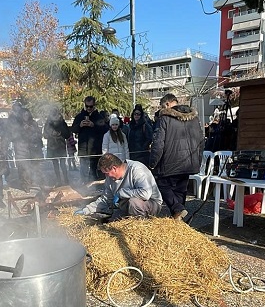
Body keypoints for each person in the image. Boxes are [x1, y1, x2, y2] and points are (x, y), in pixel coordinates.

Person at [149, 93, 204, 221]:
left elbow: (158, 143)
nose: (162, 109)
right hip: (189, 161)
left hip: (170, 161)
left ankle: (178, 210)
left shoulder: (165, 118)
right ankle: (178, 220)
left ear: (168, 104)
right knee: (180, 190)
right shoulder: (194, 118)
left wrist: (153, 162)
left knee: (161, 184)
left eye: (162, 106)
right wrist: (198, 161)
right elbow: (201, 141)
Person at [75, 153, 162, 221]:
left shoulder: (136, 169)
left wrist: (121, 193)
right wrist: (86, 210)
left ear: (114, 168)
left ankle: (140, 226)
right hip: (127, 205)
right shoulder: (110, 179)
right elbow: (105, 199)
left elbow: (145, 193)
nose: (106, 176)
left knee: (133, 202)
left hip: (151, 203)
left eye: (106, 173)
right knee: (111, 221)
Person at [71, 96, 106, 182]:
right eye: (87, 106)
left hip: (95, 148)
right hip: (83, 148)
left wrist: (93, 125)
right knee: (83, 170)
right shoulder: (79, 116)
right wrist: (80, 125)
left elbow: (105, 129)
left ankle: (93, 187)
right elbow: (73, 130)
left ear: (94, 105)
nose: (89, 108)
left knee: (93, 171)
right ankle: (84, 186)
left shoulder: (99, 116)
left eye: (91, 106)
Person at [43, 106, 71, 187]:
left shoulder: (62, 122)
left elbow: (67, 135)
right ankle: (59, 181)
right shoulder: (48, 123)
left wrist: (61, 131)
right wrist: (52, 133)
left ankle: (66, 180)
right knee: (55, 165)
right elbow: (45, 135)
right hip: (52, 146)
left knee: (63, 164)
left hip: (61, 145)